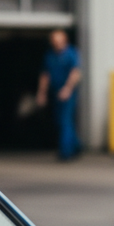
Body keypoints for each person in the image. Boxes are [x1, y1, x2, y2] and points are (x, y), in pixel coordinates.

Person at [36, 29, 82, 160]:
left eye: (59, 41)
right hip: (55, 93)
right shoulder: (50, 56)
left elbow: (75, 73)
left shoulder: (71, 54)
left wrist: (67, 89)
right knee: (59, 120)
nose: (56, 44)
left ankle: (65, 152)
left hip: (68, 94)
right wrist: (42, 93)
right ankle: (76, 145)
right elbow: (45, 76)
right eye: (54, 41)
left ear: (64, 40)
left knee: (65, 121)